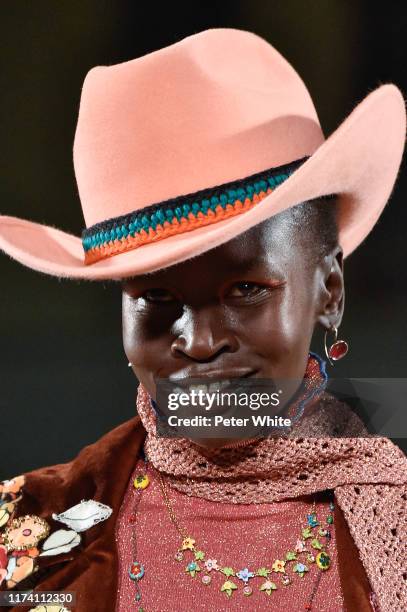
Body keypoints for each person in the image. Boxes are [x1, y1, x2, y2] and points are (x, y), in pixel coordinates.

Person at [0, 28, 406, 612]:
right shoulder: (26, 536)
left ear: (330, 290)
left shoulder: (395, 528)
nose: (199, 341)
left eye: (246, 289)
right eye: (156, 297)